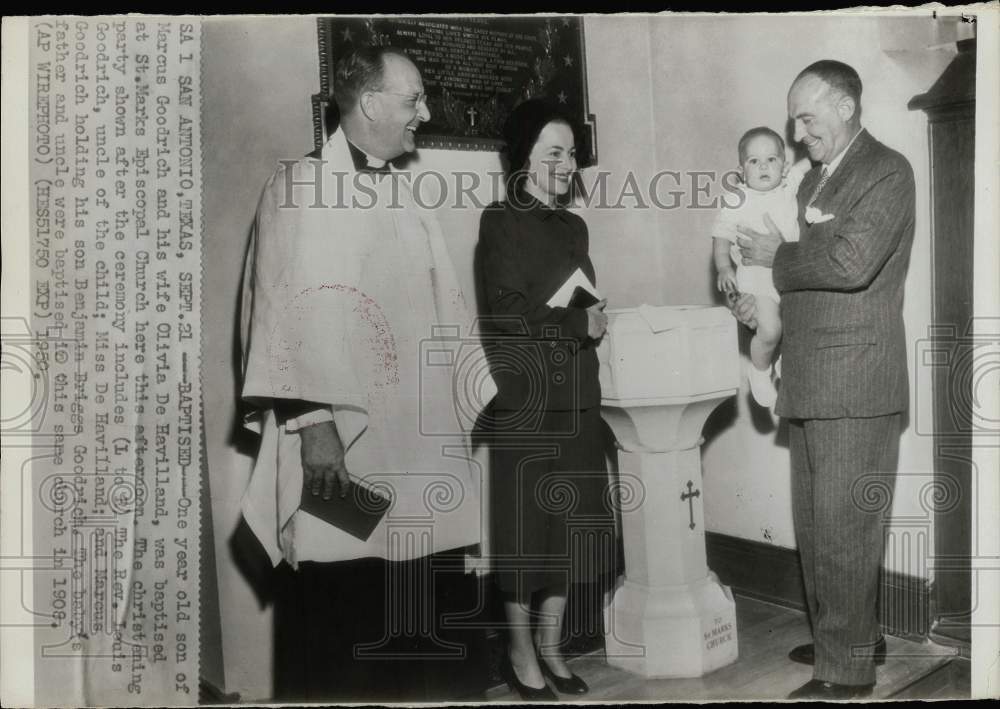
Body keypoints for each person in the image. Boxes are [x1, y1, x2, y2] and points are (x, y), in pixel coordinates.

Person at [239, 46, 494, 702]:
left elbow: (446, 313)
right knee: (347, 604)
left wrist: (471, 393)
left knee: (430, 603)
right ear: (373, 103)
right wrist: (313, 423)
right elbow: (278, 310)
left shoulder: (408, 197)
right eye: (414, 100)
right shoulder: (297, 186)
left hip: (420, 439)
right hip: (344, 447)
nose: (426, 113)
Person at [733, 60, 915, 700]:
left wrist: (772, 259)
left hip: (855, 382)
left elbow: (850, 260)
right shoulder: (811, 179)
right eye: (793, 119)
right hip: (810, 378)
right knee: (818, 527)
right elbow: (799, 276)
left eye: (807, 117)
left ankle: (846, 671)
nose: (798, 131)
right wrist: (754, 300)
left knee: (842, 530)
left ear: (844, 105)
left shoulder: (888, 170)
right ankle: (852, 635)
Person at [477, 98, 616, 700]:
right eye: (553, 152)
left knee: (568, 533)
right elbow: (505, 316)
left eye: (571, 152)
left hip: (580, 396)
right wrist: (575, 325)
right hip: (529, 399)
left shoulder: (575, 226)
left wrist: (593, 315)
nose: (566, 162)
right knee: (525, 536)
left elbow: (575, 299)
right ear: (523, 157)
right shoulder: (500, 220)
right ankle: (519, 652)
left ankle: (553, 647)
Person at [711, 127, 810, 407]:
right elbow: (721, 235)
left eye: (772, 159)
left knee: (795, 326)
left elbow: (813, 160)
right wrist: (723, 267)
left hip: (790, 277)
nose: (764, 166)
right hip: (757, 280)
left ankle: (781, 363)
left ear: (784, 165)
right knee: (769, 329)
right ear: (741, 170)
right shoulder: (737, 199)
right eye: (754, 161)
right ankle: (759, 369)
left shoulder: (789, 184)